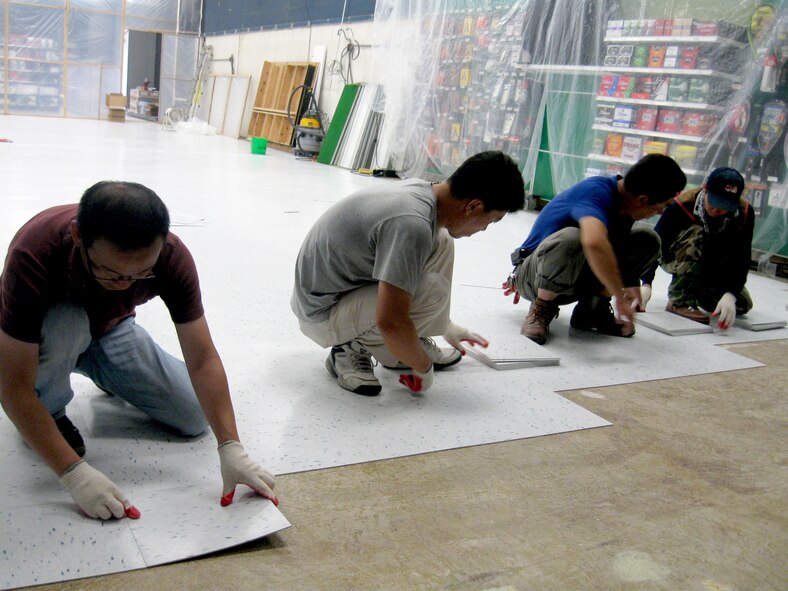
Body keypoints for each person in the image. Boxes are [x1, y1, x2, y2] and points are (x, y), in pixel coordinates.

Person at [0, 181, 277, 520]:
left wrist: (231, 446)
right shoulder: (34, 252)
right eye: (111, 273)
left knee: (191, 415)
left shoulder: (171, 256)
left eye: (140, 274)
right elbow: (12, 385)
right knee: (67, 325)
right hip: (50, 335)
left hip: (112, 328)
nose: (125, 283)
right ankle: (53, 411)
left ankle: (105, 372)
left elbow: (203, 358)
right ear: (77, 237)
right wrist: (74, 473)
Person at [291, 150, 526, 396]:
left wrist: (445, 325)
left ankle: (408, 343)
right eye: (490, 221)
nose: (485, 229)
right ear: (474, 206)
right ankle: (349, 349)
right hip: (321, 313)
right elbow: (390, 320)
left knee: (442, 239)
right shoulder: (411, 224)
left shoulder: (425, 193)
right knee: (432, 290)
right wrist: (422, 367)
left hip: (337, 290)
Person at [505, 154, 687, 344]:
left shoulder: (626, 204)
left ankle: (593, 310)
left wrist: (632, 281)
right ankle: (541, 309)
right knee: (574, 238)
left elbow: (615, 246)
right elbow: (594, 243)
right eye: (662, 206)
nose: (660, 212)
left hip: (573, 277)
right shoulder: (595, 192)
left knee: (647, 238)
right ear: (642, 200)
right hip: (533, 277)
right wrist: (620, 296)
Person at [640, 167, 753, 329]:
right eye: (713, 203)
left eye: (724, 206)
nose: (717, 210)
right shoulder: (681, 206)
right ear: (705, 190)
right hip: (679, 255)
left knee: (742, 304)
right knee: (697, 232)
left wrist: (731, 294)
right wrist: (646, 283)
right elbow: (655, 244)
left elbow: (743, 257)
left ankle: (696, 290)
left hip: (712, 263)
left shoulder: (745, 213)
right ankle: (679, 301)